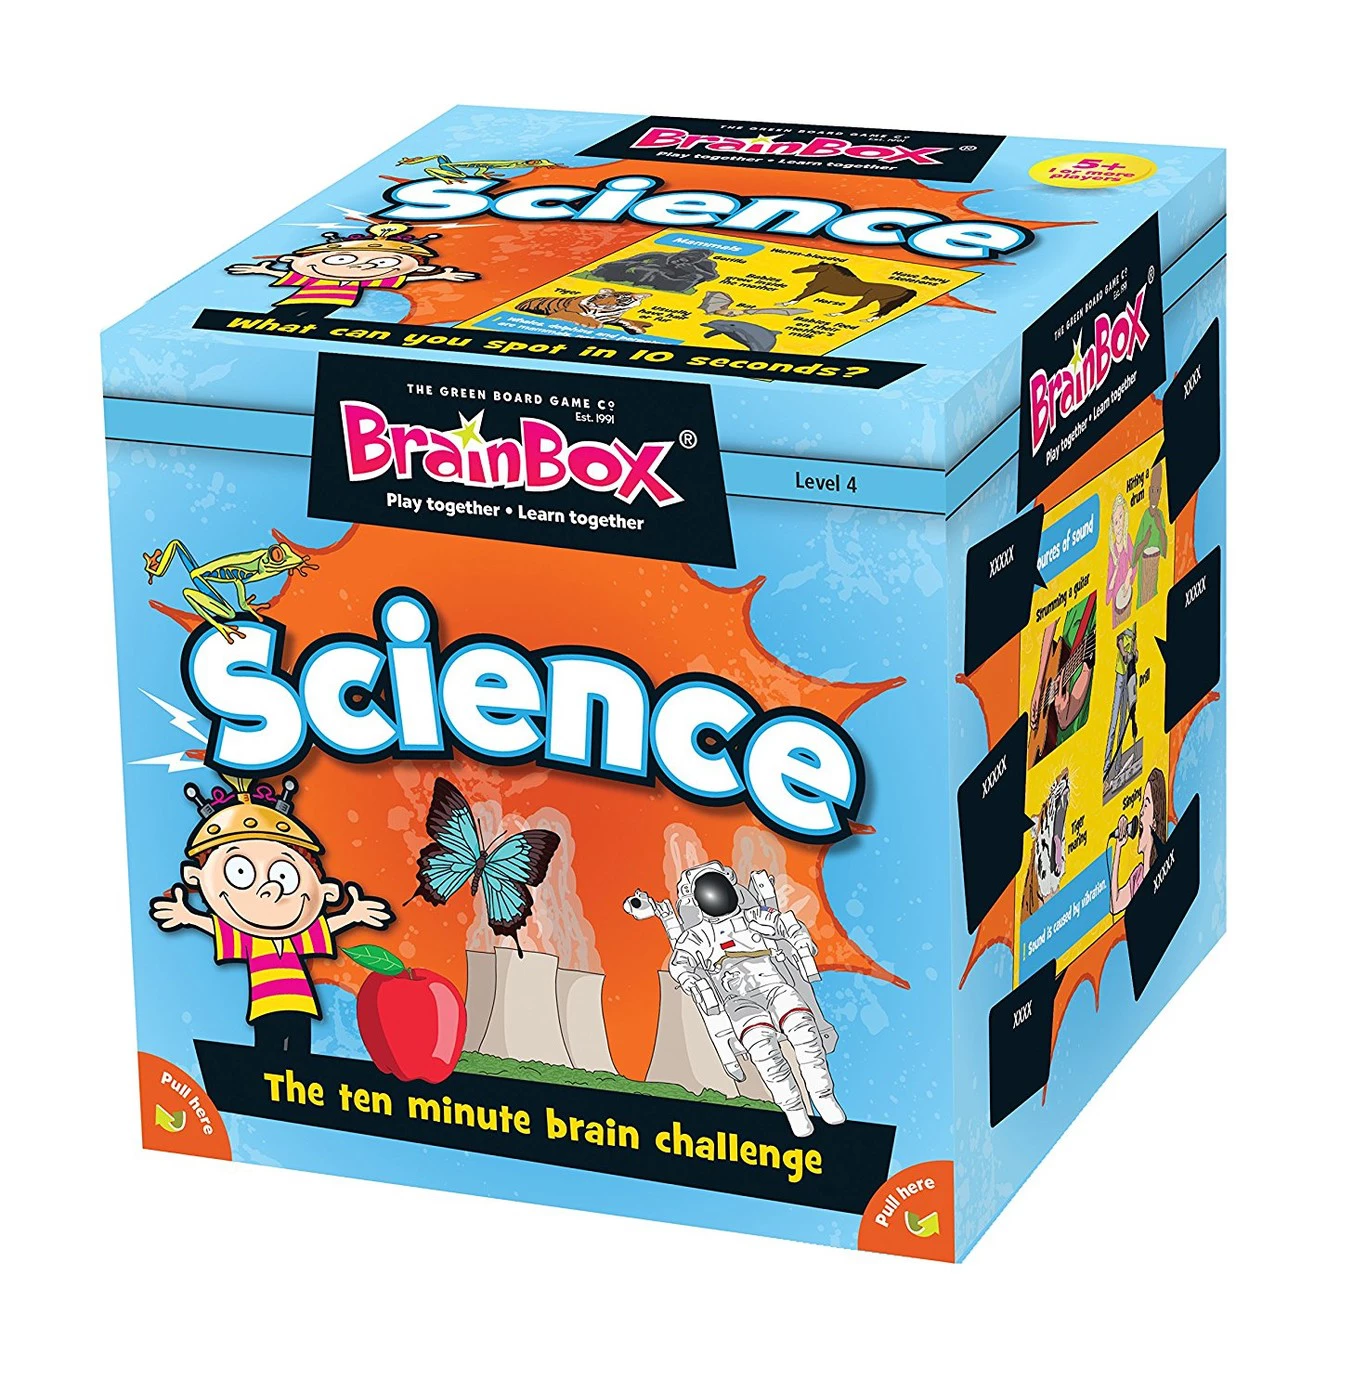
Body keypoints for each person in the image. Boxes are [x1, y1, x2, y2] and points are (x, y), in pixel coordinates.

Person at [150, 775, 393, 1052]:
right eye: (240, 872)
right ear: (196, 877)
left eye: (284, 875)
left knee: (300, 1054)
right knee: (268, 1054)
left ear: (325, 890)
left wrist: (353, 915)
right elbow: (217, 929)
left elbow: (328, 927)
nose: (271, 889)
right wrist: (188, 917)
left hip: (301, 1005)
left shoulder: (298, 937)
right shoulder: (250, 940)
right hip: (265, 1007)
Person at [225, 222, 479, 322]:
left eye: (381, 263)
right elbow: (287, 276)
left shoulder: (365, 281)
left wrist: (441, 275)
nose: (363, 266)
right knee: (281, 317)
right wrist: (258, 269)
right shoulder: (310, 276)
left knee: (311, 318)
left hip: (333, 303)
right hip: (298, 299)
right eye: (342, 259)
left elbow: (405, 277)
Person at [1108, 767, 1168, 915]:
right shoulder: (1138, 876)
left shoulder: (1162, 873)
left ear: (1154, 822)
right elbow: (1115, 905)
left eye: (1146, 805)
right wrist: (1118, 847)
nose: (1140, 812)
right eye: (1142, 805)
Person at [1132, 458, 1169, 608]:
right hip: (1144, 571)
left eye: (1157, 491)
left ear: (1160, 493)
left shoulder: (1161, 516)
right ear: (1148, 492)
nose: (1155, 495)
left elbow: (1165, 550)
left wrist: (1160, 529)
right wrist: (1144, 542)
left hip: (1155, 569)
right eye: (1152, 490)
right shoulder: (1144, 517)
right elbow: (1135, 556)